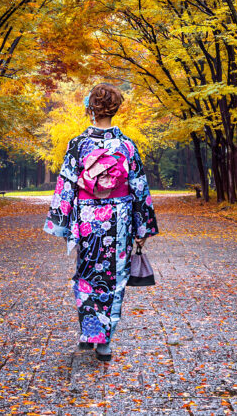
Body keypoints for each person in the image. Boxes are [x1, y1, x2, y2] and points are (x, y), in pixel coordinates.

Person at [43, 83, 159, 362]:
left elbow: (66, 186)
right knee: (116, 277)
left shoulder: (78, 144)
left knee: (86, 273)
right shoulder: (127, 145)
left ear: (90, 109)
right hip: (119, 219)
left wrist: (62, 223)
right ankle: (104, 341)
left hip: (87, 217)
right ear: (115, 109)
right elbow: (138, 187)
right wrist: (142, 228)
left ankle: (90, 331)